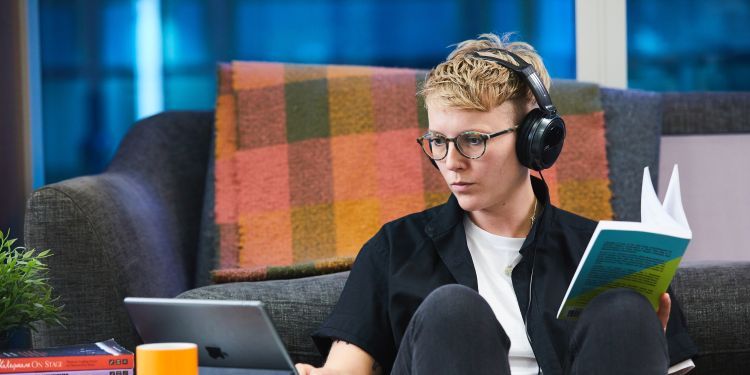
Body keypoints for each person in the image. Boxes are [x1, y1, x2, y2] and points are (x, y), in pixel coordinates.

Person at [295, 33, 697, 375]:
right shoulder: (395, 247)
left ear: (535, 140)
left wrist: (644, 343)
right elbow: (344, 369)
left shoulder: (608, 255)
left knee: (624, 309)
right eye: (437, 141)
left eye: (473, 140)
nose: (450, 162)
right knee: (453, 310)